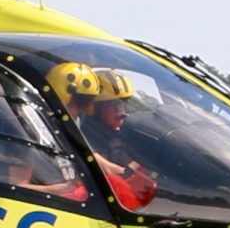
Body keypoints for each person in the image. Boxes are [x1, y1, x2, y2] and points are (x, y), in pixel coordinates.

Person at [47, 59, 162, 210]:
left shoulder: (132, 132)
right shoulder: (87, 135)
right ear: (96, 108)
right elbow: (105, 169)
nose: (120, 110)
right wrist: (134, 168)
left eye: (122, 103)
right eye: (112, 105)